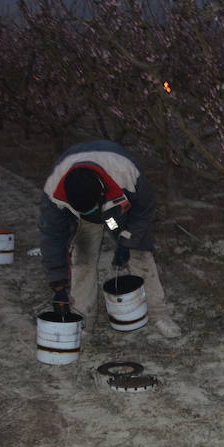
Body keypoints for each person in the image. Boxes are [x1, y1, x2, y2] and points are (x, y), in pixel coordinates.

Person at [38, 139, 181, 339]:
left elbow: (144, 210)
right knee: (82, 259)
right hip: (87, 216)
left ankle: (159, 313)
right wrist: (58, 285)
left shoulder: (126, 173)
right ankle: (83, 319)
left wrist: (126, 241)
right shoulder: (54, 192)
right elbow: (52, 237)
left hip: (112, 213)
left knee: (139, 253)